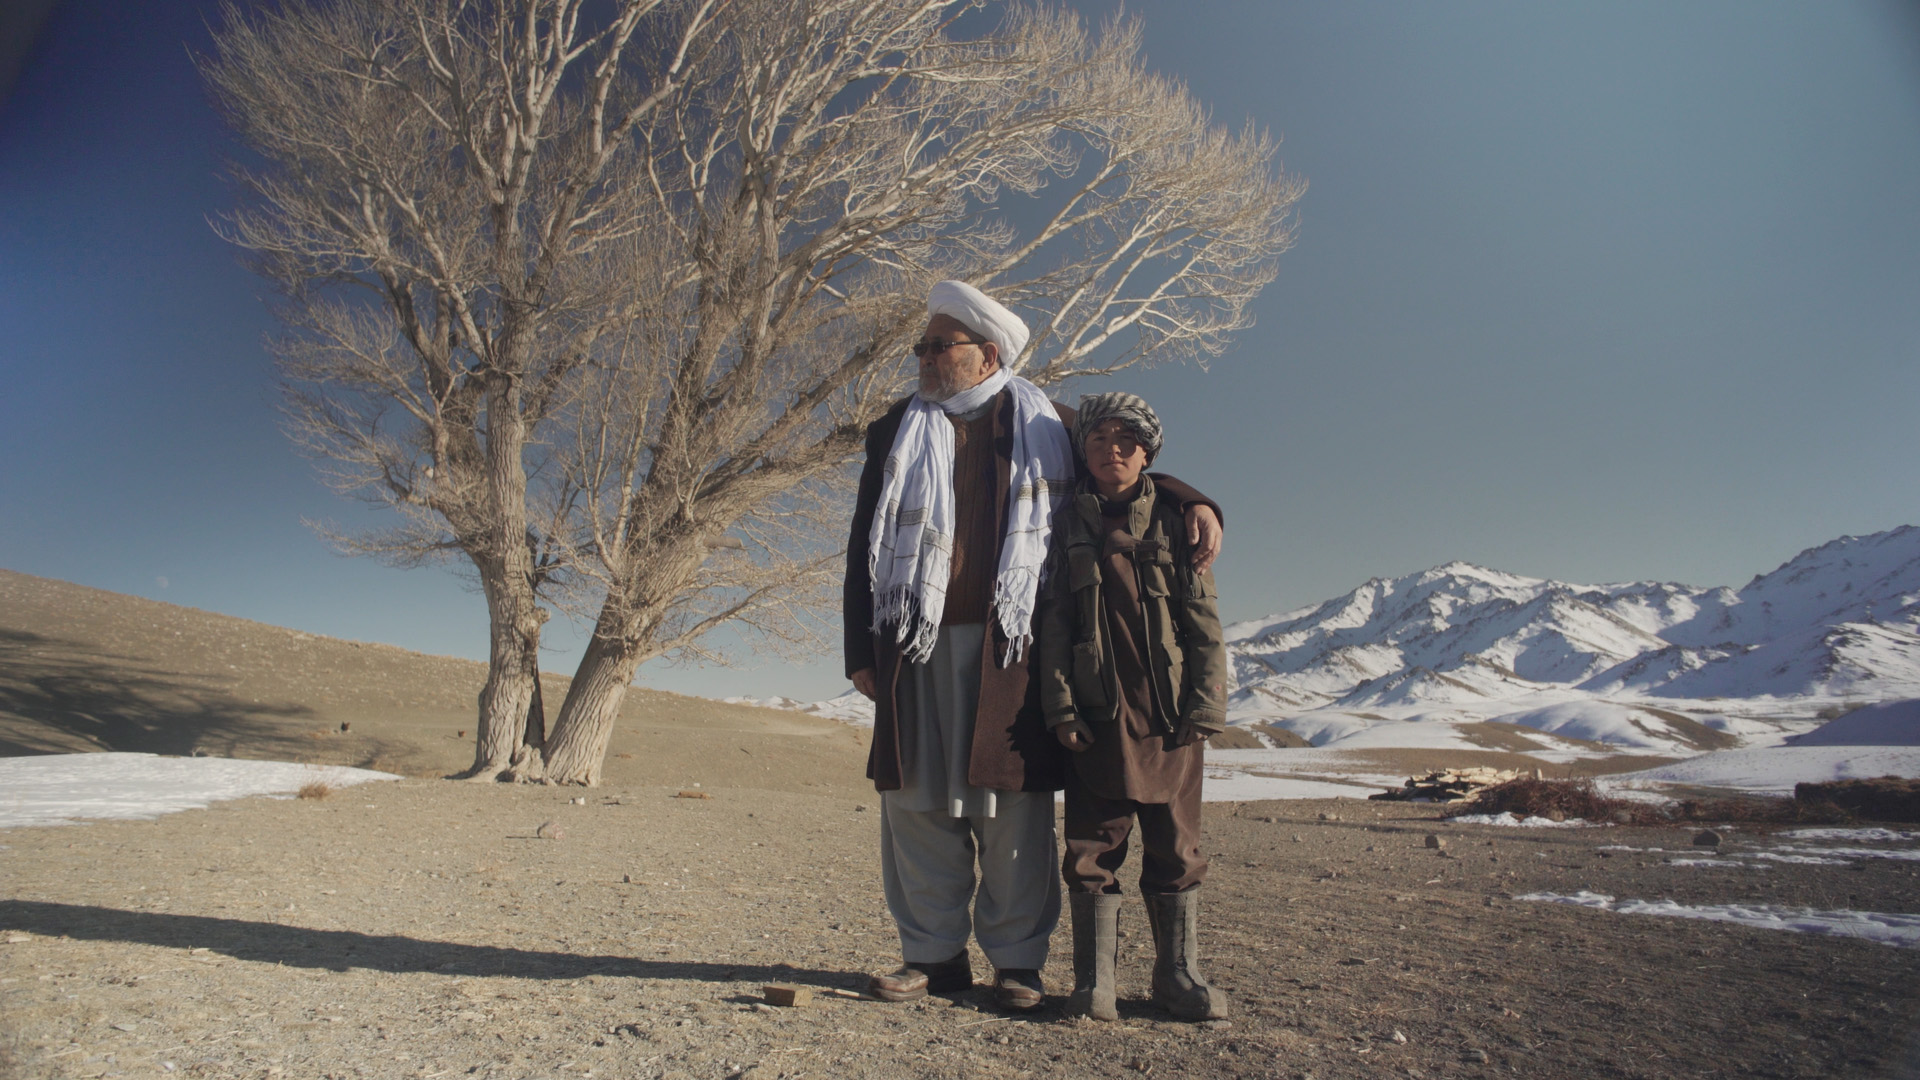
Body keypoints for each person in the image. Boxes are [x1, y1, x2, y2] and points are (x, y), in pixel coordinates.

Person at [844, 281, 1224, 1011]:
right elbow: (865, 537)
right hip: (912, 643)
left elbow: (1125, 469)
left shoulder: (1053, 423)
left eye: (939, 345)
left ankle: (1017, 963)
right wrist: (859, 648)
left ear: (988, 355)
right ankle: (932, 956)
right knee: (916, 803)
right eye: (922, 346)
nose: (924, 357)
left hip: (1012, 648)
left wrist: (1193, 501)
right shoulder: (895, 429)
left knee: (1011, 805)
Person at [1037, 392, 1231, 1022]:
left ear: (1147, 453)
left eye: (1126, 441)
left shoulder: (1178, 521)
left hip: (1172, 718)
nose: (1111, 451)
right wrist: (1061, 708)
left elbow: (1204, 623)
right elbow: (1055, 623)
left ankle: (1178, 977)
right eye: (1097, 440)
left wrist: (1207, 704)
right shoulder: (1065, 524)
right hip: (1098, 717)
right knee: (1092, 851)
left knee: (1177, 849)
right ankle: (1095, 985)